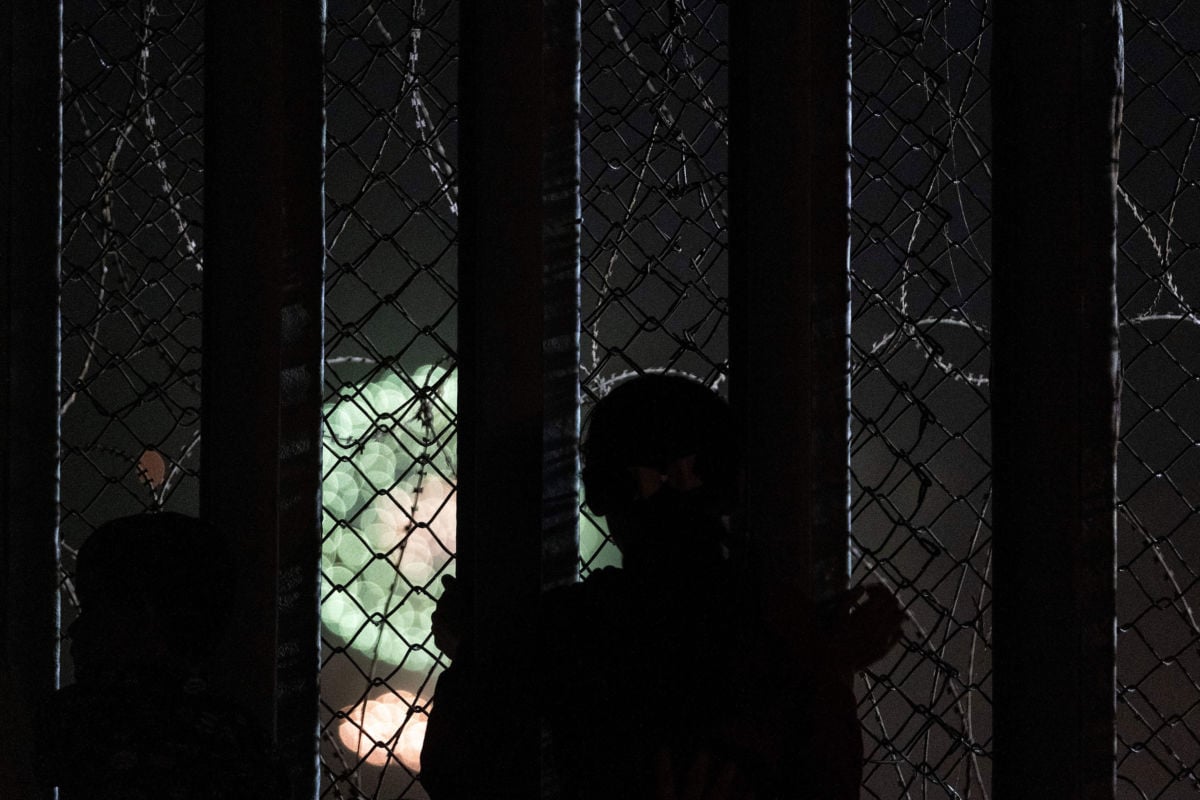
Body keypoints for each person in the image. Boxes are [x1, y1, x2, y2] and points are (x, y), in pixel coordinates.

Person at [424, 374, 904, 799]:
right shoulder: (784, 628)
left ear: (618, 490)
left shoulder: (572, 628)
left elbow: (456, 772)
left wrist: (472, 654)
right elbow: (829, 777)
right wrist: (831, 666)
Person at [32, 512, 280, 800]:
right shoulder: (240, 735)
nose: (76, 629)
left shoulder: (80, 718)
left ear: (141, 618)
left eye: (92, 610)